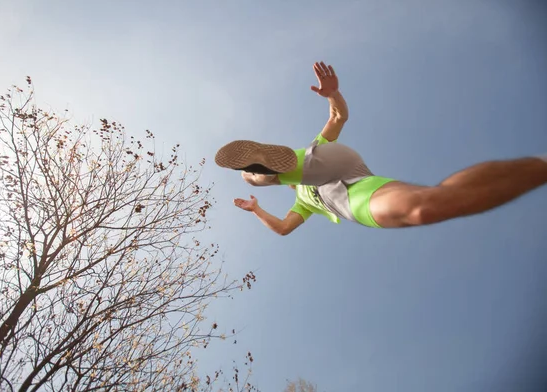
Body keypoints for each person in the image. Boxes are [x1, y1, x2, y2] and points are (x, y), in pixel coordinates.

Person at [215, 62, 547, 235]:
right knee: (425, 209)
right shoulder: (304, 205)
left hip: (340, 166)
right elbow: (285, 229)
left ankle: (259, 171)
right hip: (353, 200)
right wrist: (257, 211)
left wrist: (332, 92)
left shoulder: (306, 172)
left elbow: (338, 115)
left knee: (263, 175)